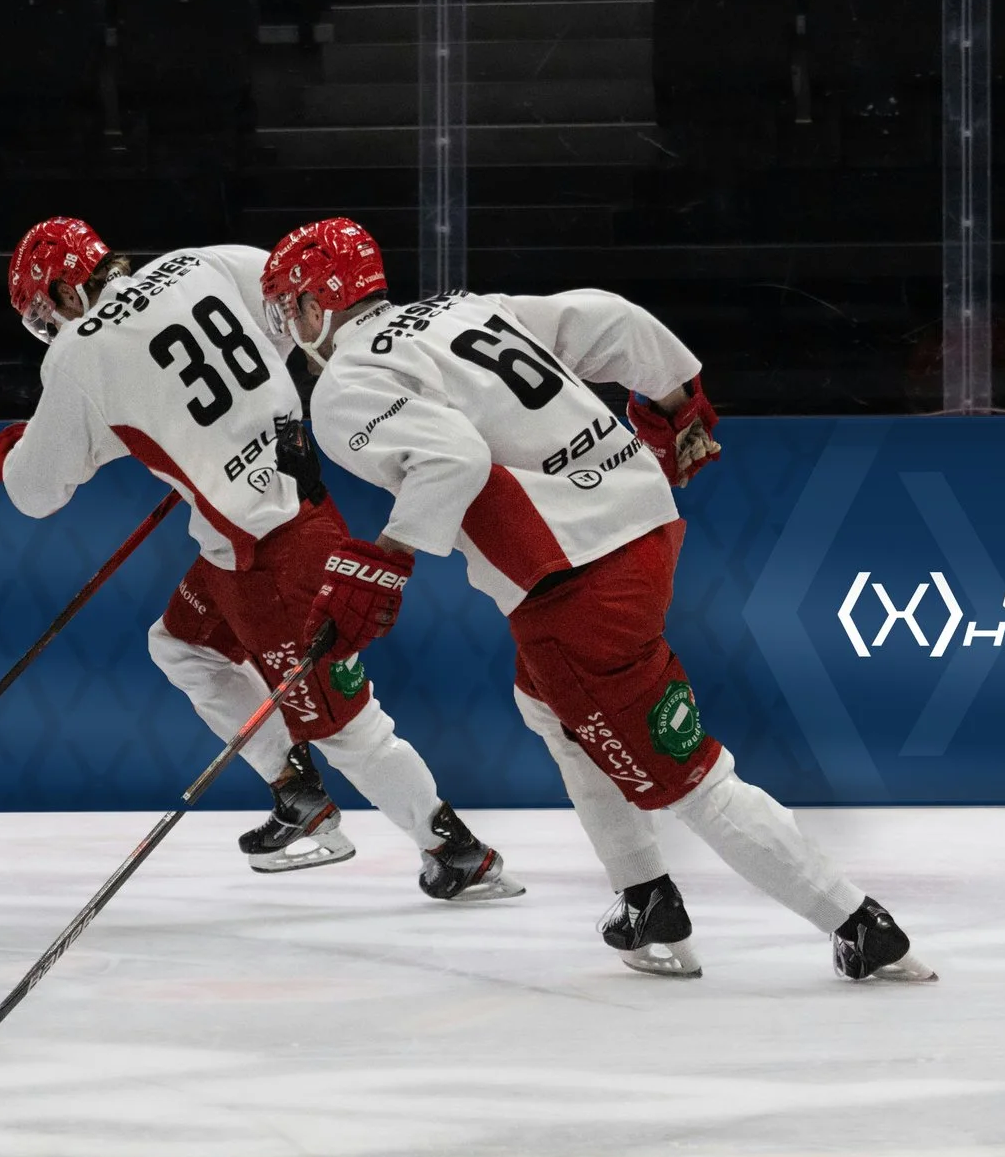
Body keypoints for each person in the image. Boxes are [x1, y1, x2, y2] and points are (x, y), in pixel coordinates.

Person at [262, 216, 934, 984]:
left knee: (689, 778)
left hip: (575, 577)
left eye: (290, 306)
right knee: (548, 707)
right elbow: (610, 318)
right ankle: (645, 895)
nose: (291, 326)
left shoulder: (346, 384)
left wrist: (385, 561)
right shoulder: (460, 308)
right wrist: (678, 394)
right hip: (642, 522)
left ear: (319, 304)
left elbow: (454, 459)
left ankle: (861, 925)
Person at [0, 215, 516, 900]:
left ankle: (454, 850)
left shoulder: (74, 356)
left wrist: (13, 446)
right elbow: (287, 315)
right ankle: (298, 795)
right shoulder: (199, 260)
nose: (49, 328)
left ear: (65, 292)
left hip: (268, 552)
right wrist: (250, 427)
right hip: (264, 528)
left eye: (42, 313)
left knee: (344, 722)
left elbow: (36, 491)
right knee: (181, 645)